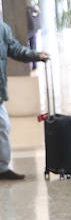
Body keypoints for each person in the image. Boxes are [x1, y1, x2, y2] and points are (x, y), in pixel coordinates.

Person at [0, 19, 49, 180]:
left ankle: (2, 168)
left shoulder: (2, 28)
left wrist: (36, 55)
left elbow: (15, 49)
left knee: (3, 127)